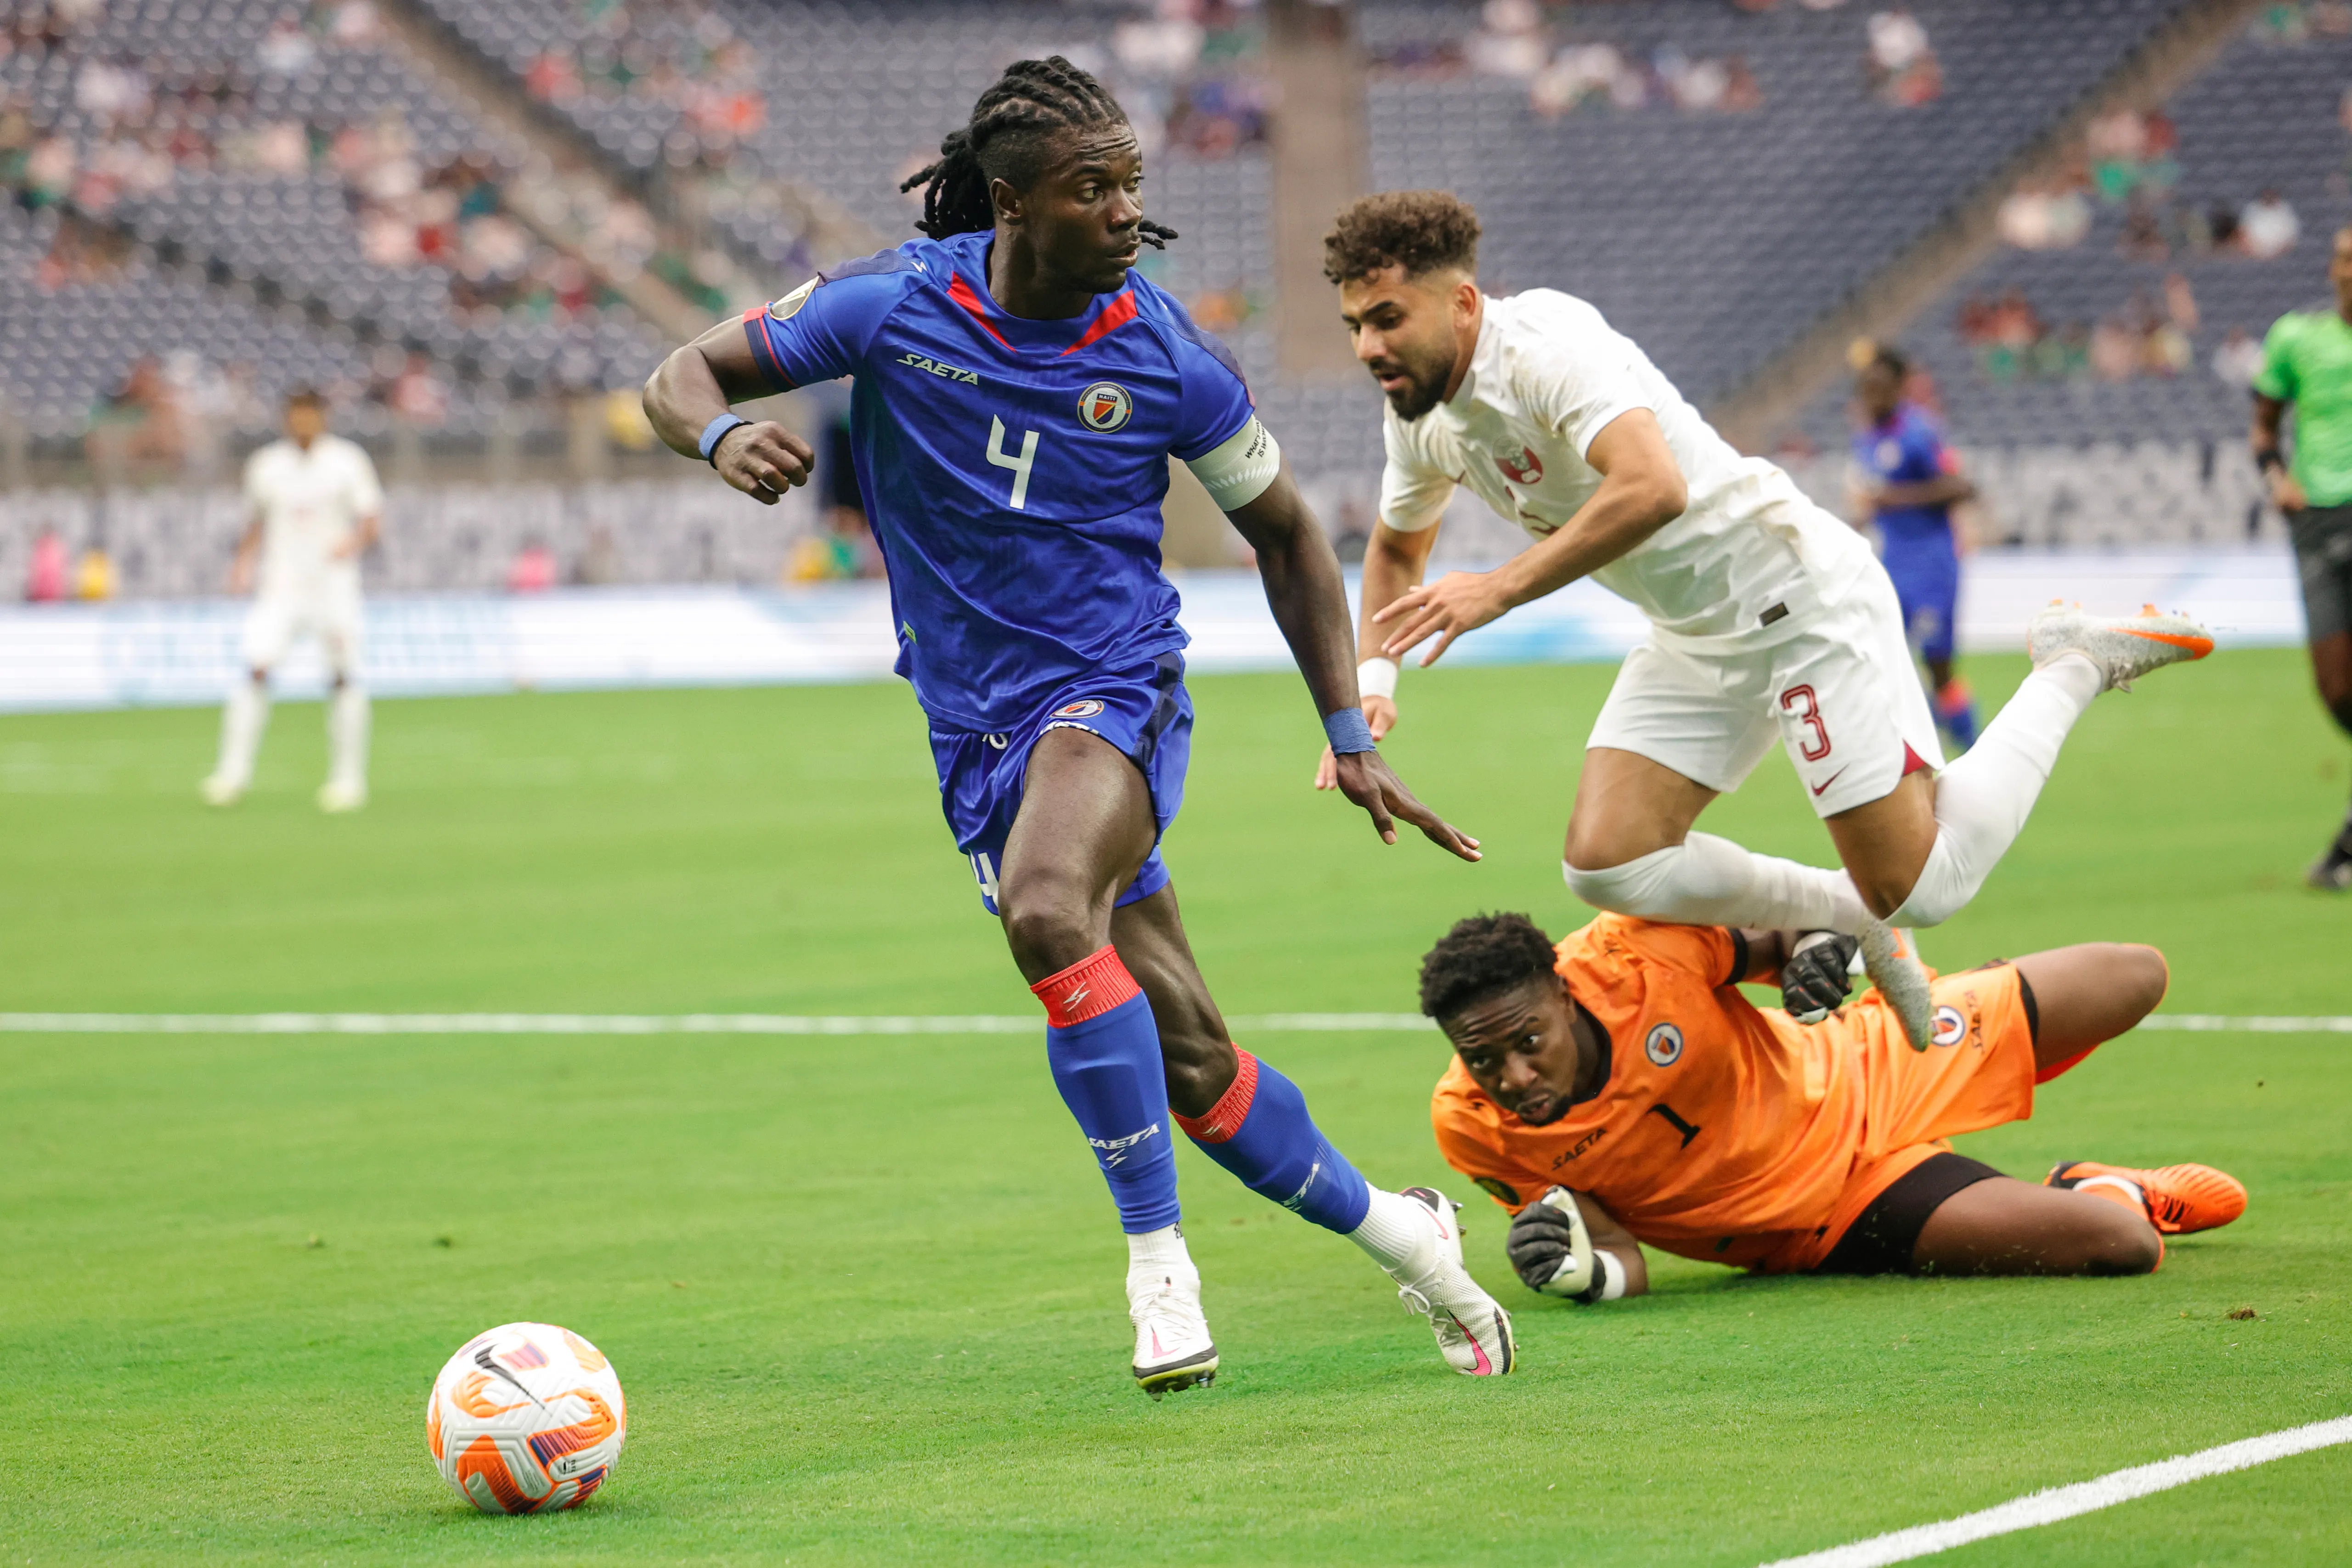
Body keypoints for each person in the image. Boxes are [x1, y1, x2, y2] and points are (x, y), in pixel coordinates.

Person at [641, 58, 1514, 1395]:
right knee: (1195, 1065)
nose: (1123, 212)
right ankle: (1418, 1244)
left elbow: (1286, 536)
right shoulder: (892, 306)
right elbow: (683, 372)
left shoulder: (1163, 353)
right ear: (1010, 203)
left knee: (1049, 912)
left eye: (1131, 187)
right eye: (1090, 187)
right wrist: (715, 440)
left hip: (1116, 691)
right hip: (971, 728)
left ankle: (1159, 1272)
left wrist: (1349, 729)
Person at [1311, 189, 2211, 1050]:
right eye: (1354, 324)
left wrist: (1496, 589)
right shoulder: (1423, 419)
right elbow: (1395, 549)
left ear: (1461, 302)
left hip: (1795, 597)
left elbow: (1650, 485)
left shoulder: (1543, 348)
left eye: (1387, 317)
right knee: (1607, 863)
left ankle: (2071, 665)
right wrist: (1372, 686)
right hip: (1695, 634)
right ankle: (1842, 911)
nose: (1366, 345)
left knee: (1924, 888)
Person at [1417, 909, 2246, 1294]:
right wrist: (1578, 1273)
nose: (1513, 1076)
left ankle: (1976, 1027)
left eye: (1528, 1042)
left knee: (2134, 972)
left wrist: (1816, 954)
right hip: (1831, 1209)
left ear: (1565, 995)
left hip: (1868, 1057)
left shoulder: (1634, 951)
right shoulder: (1472, 1125)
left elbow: (1789, 930)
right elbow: (1619, 1256)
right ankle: (2103, 1187)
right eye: (1482, 1057)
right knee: (2123, 1244)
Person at [202, 387, 381, 812]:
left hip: (333, 586)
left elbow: (371, 522)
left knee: (342, 677)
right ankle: (232, 774)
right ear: (286, 419)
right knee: (256, 668)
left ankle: (348, 779)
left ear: (322, 418)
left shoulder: (347, 462)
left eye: (309, 415)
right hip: (280, 586)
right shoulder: (267, 466)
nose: (302, 423)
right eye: (295, 416)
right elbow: (256, 521)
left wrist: (350, 544)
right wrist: (242, 564)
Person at [2253, 224, 2352, 890]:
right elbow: (2264, 422)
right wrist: (2276, 478)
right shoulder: (2296, 337)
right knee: (2336, 687)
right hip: (2316, 519)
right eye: (2344, 256)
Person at [1848, 344, 1980, 750]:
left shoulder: (1920, 431)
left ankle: (1970, 744)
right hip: (1892, 562)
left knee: (1937, 665)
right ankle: (1919, 743)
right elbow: (1876, 500)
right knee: (1886, 660)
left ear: (1898, 390)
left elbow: (1962, 486)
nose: (1873, 397)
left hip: (1932, 565)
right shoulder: (1867, 439)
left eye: (1880, 388)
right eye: (1866, 389)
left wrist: (1894, 498)